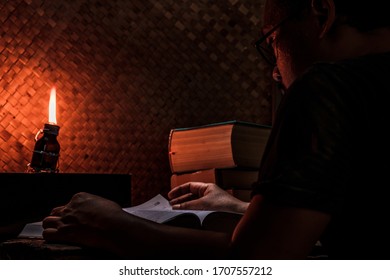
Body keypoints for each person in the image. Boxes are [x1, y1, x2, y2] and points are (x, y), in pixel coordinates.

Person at [42, 0, 390, 259]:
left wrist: (113, 226)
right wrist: (243, 207)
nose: (273, 72)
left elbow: (260, 260)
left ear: (321, 14)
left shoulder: (328, 86)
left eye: (272, 43)